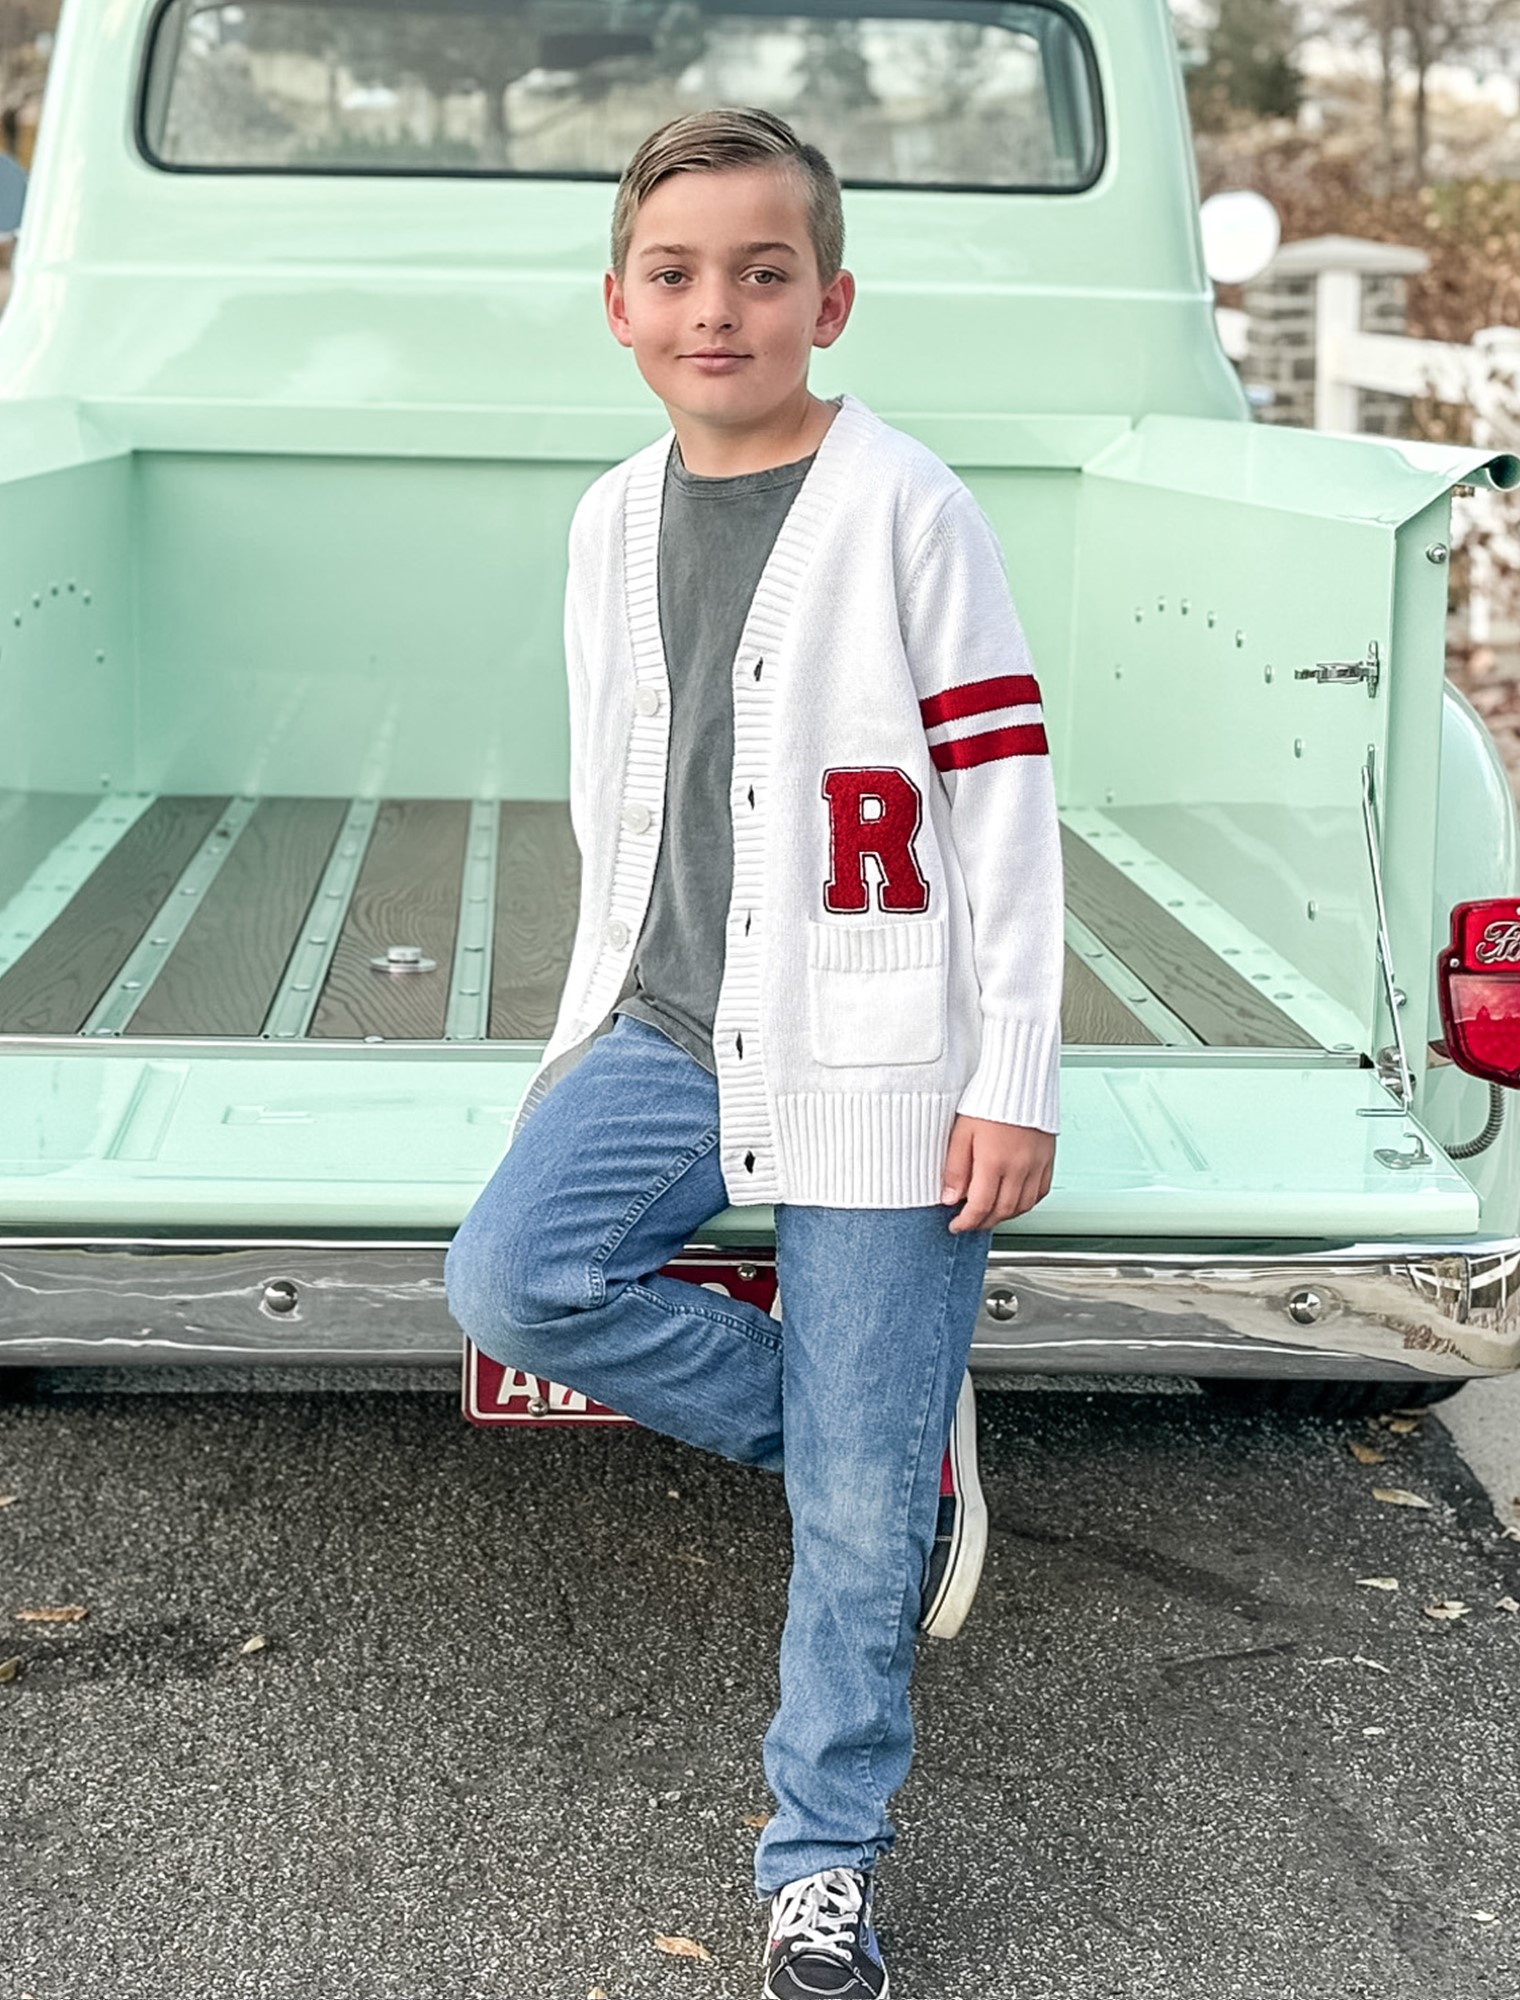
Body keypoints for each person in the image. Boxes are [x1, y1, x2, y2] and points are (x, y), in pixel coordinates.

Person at [443, 105, 1064, 2000]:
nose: (719, 308)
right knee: (516, 1276)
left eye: (764, 273)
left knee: (856, 1522)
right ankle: (884, 1453)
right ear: (619, 309)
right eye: (677, 274)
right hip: (665, 1023)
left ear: (831, 302)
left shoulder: (907, 507)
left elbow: (1004, 801)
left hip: (880, 1044)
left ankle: (822, 1862)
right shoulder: (608, 519)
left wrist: (1013, 1070)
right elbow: (620, 795)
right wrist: (590, 1005)